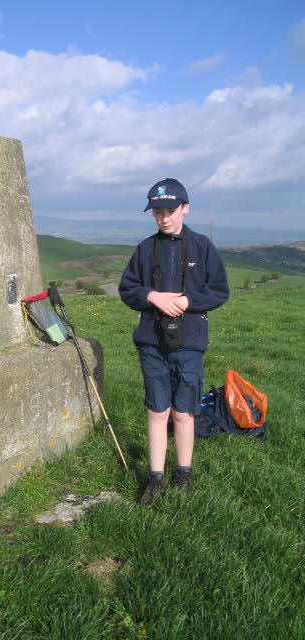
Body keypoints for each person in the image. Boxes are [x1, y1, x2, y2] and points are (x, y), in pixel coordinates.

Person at [119, 178, 229, 505]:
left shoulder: (202, 247)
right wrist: (152, 296)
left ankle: (184, 473)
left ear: (185, 208)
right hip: (152, 342)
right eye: (157, 212)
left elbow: (220, 291)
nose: (163, 218)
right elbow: (128, 289)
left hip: (190, 343)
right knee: (157, 410)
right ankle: (156, 478)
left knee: (184, 412)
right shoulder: (145, 249)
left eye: (170, 210)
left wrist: (186, 300)